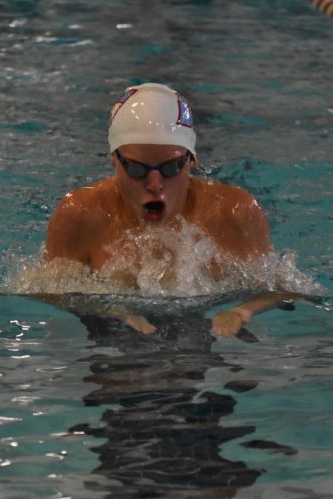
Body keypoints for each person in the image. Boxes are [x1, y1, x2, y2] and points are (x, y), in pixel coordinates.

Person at [44, 82, 299, 337]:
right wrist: (108, 308)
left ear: (192, 159)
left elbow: (285, 287)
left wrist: (242, 312)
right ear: (114, 160)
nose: (155, 185)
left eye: (171, 168)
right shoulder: (79, 215)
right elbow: (47, 290)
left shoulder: (233, 213)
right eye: (136, 169)